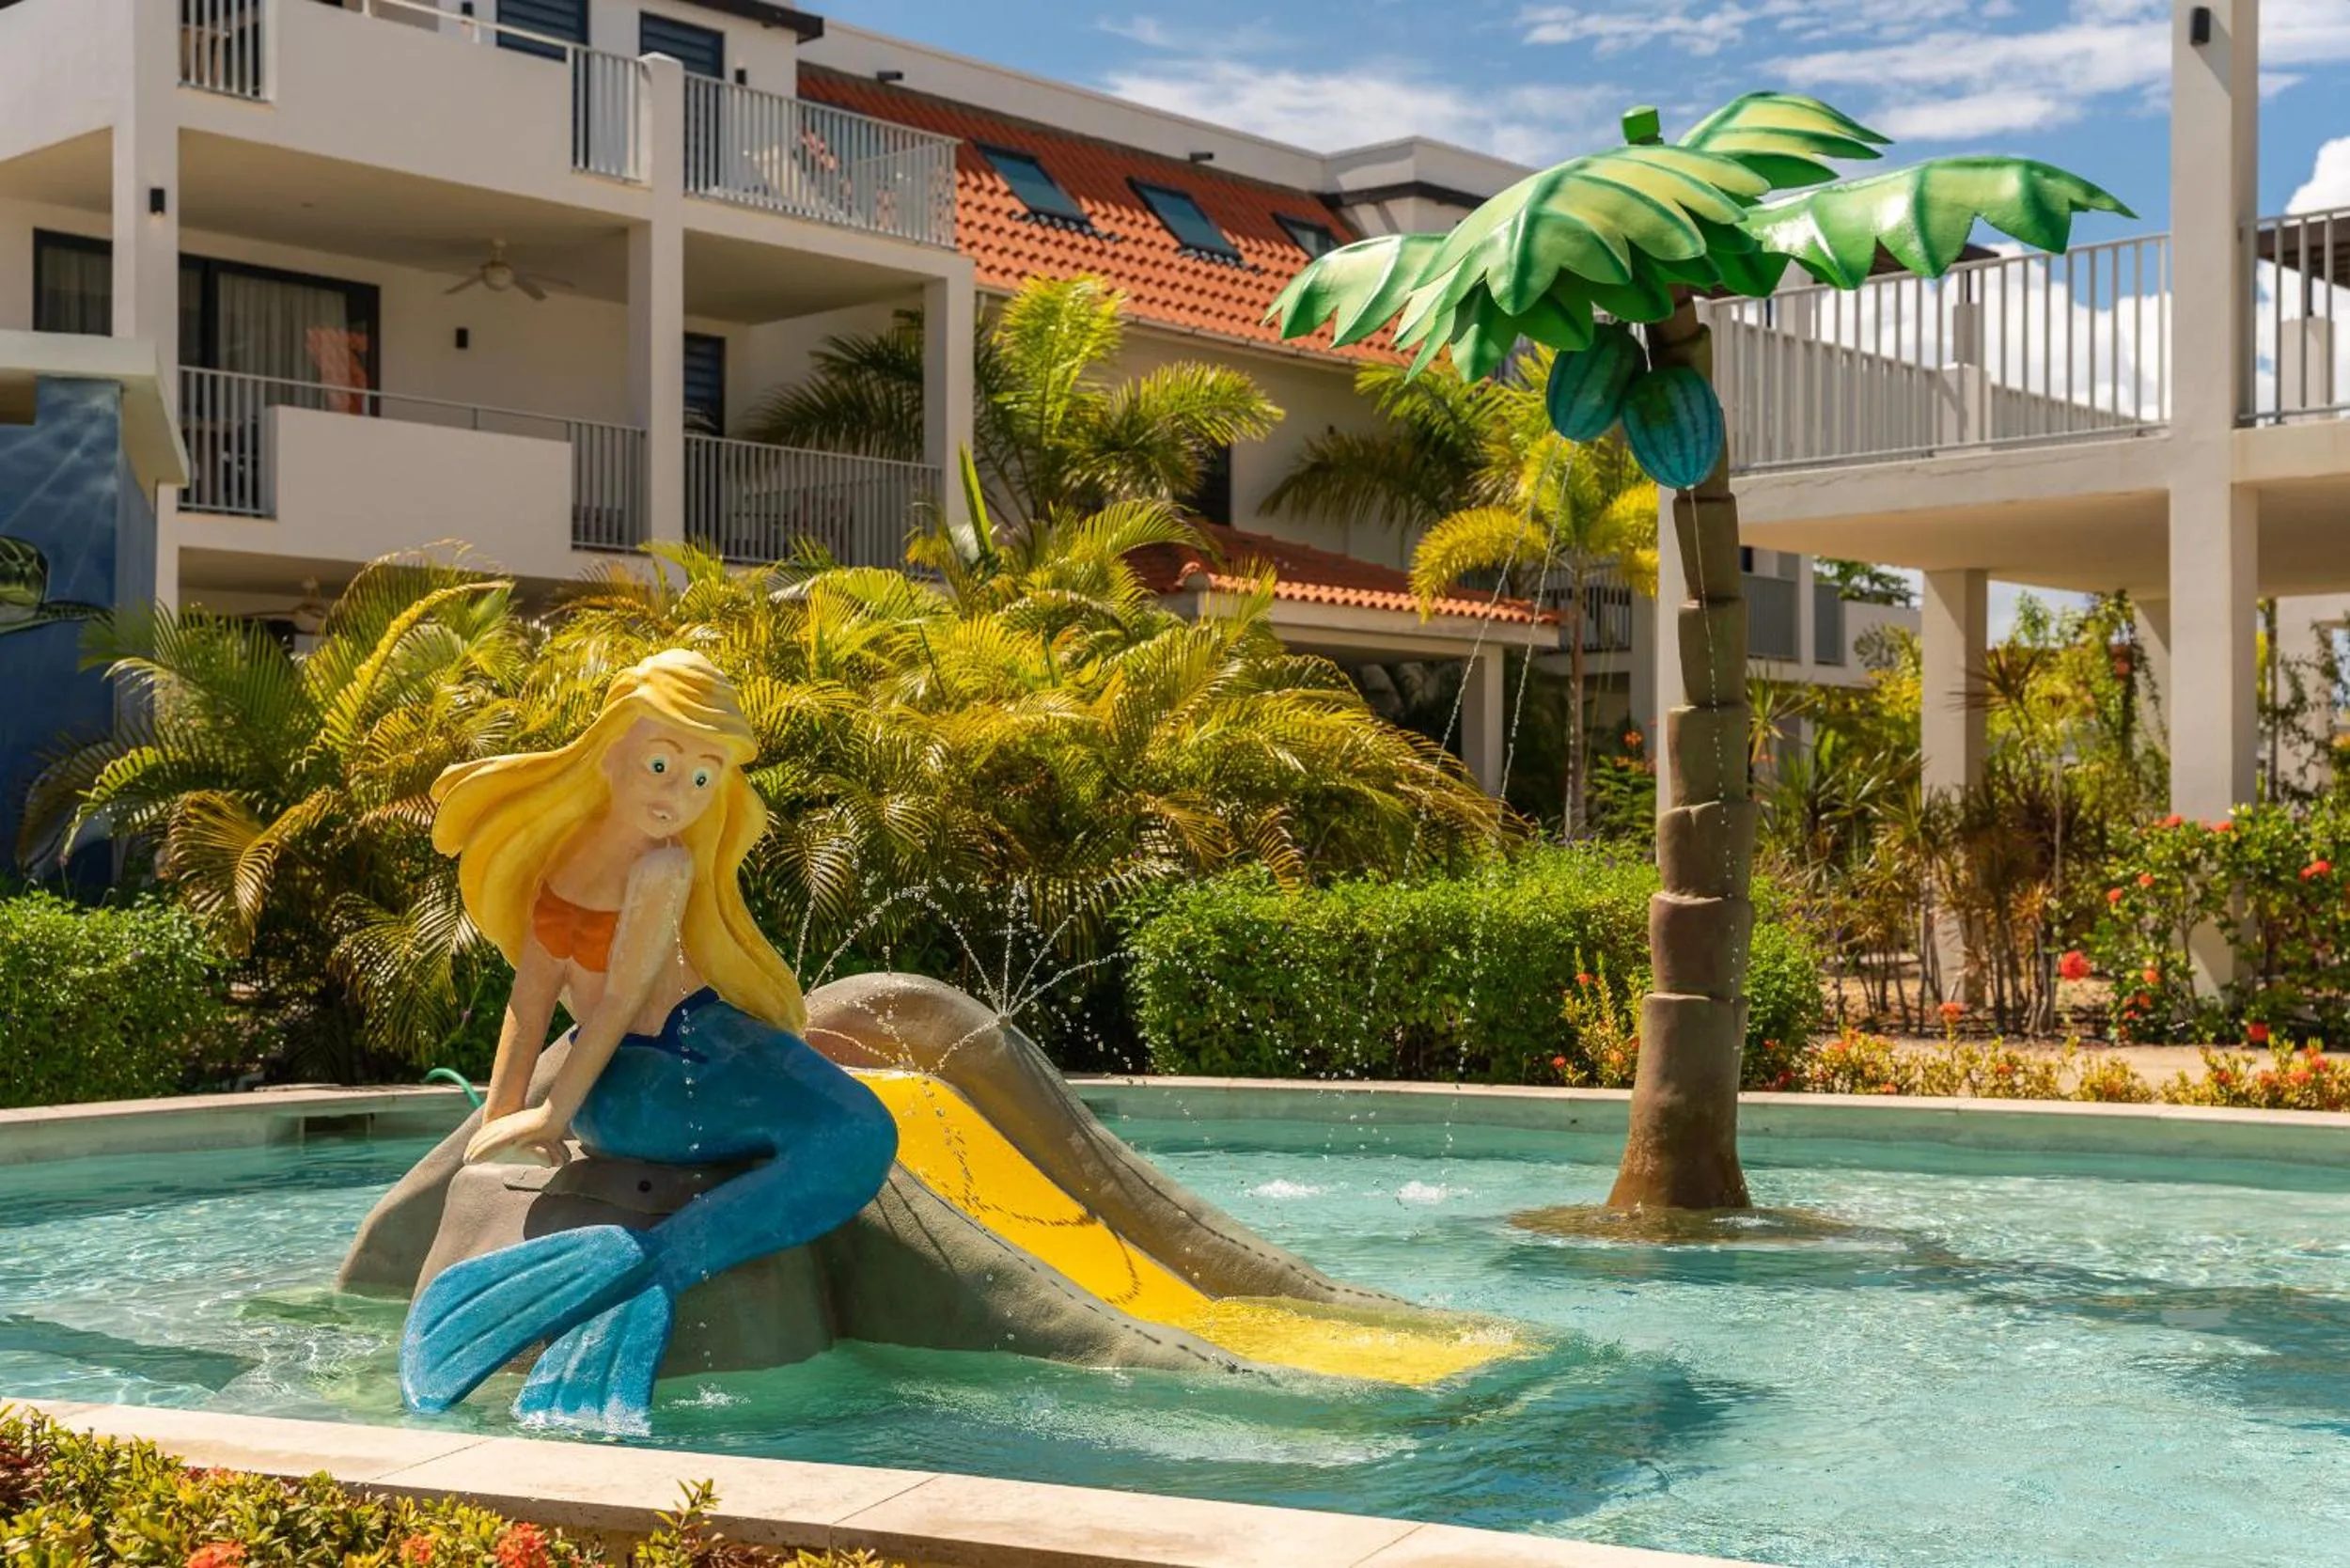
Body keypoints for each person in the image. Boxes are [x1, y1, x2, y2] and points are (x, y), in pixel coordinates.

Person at [399, 649, 898, 1432]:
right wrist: (533, 1118)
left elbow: (536, 1003)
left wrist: (527, 1117)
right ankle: (657, 1266)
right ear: (611, 751)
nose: (679, 796)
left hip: (618, 1093)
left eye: (702, 779)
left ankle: (627, 1273)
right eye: (662, 763)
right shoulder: (659, 867)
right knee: (861, 1130)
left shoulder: (558, 858)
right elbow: (614, 999)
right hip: (672, 1075)